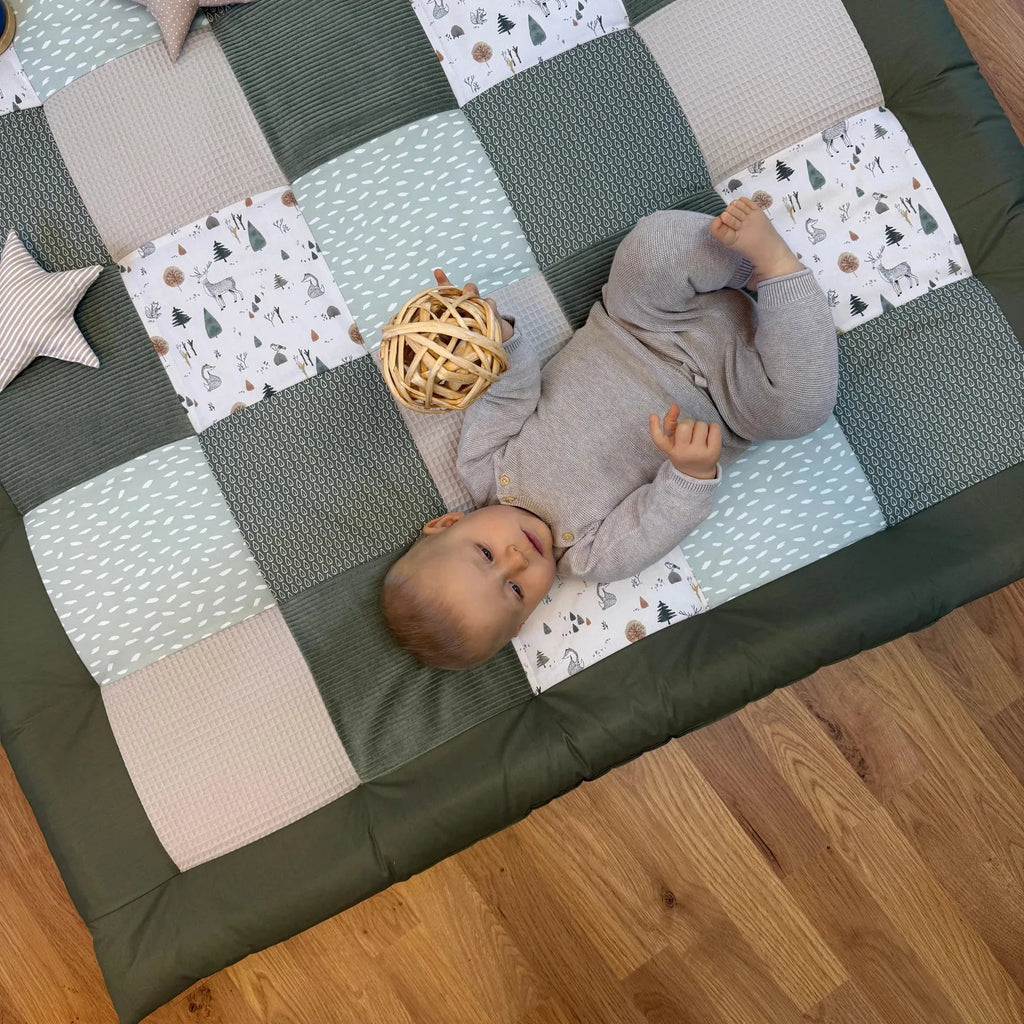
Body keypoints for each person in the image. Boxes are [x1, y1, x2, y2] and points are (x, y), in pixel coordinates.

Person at [381, 197, 838, 669]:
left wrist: (493, 340)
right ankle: (777, 269)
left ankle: (741, 264)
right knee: (801, 409)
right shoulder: (592, 558)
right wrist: (691, 471)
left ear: (447, 524)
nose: (517, 558)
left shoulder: (481, 465)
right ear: (526, 618)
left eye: (485, 553)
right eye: (515, 590)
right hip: (732, 401)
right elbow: (658, 519)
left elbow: (508, 394)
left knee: (652, 248)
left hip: (640, 325)